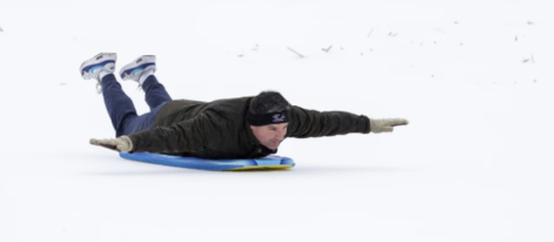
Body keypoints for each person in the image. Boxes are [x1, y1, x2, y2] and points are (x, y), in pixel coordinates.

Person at [82, 52, 408, 159]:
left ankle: (144, 74)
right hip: (174, 120)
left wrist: (368, 124)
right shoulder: (216, 127)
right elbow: (172, 137)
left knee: (170, 107)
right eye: (272, 130)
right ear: (252, 123)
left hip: (186, 109)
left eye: (283, 129)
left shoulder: (283, 115)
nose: (280, 136)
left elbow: (326, 121)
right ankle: (106, 73)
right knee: (127, 124)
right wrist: (131, 142)